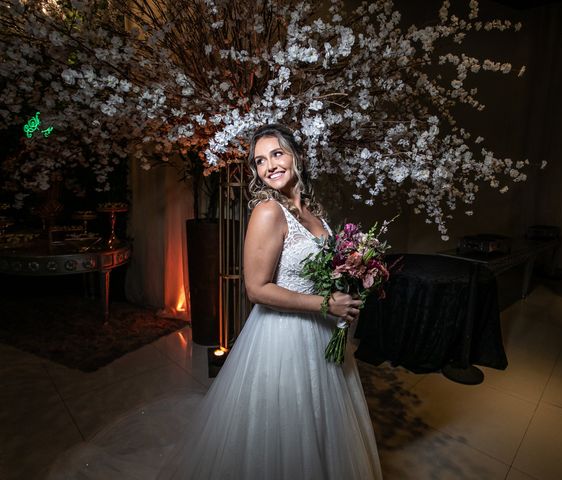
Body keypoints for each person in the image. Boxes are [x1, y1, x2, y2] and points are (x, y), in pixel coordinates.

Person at [46, 124, 382, 479]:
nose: (270, 166)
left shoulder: (314, 212)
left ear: (296, 156)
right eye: (260, 161)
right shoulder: (268, 212)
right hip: (284, 338)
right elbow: (256, 289)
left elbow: (320, 271)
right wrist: (326, 304)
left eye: (277, 154)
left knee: (319, 421)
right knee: (282, 425)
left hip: (320, 335)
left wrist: (351, 275)